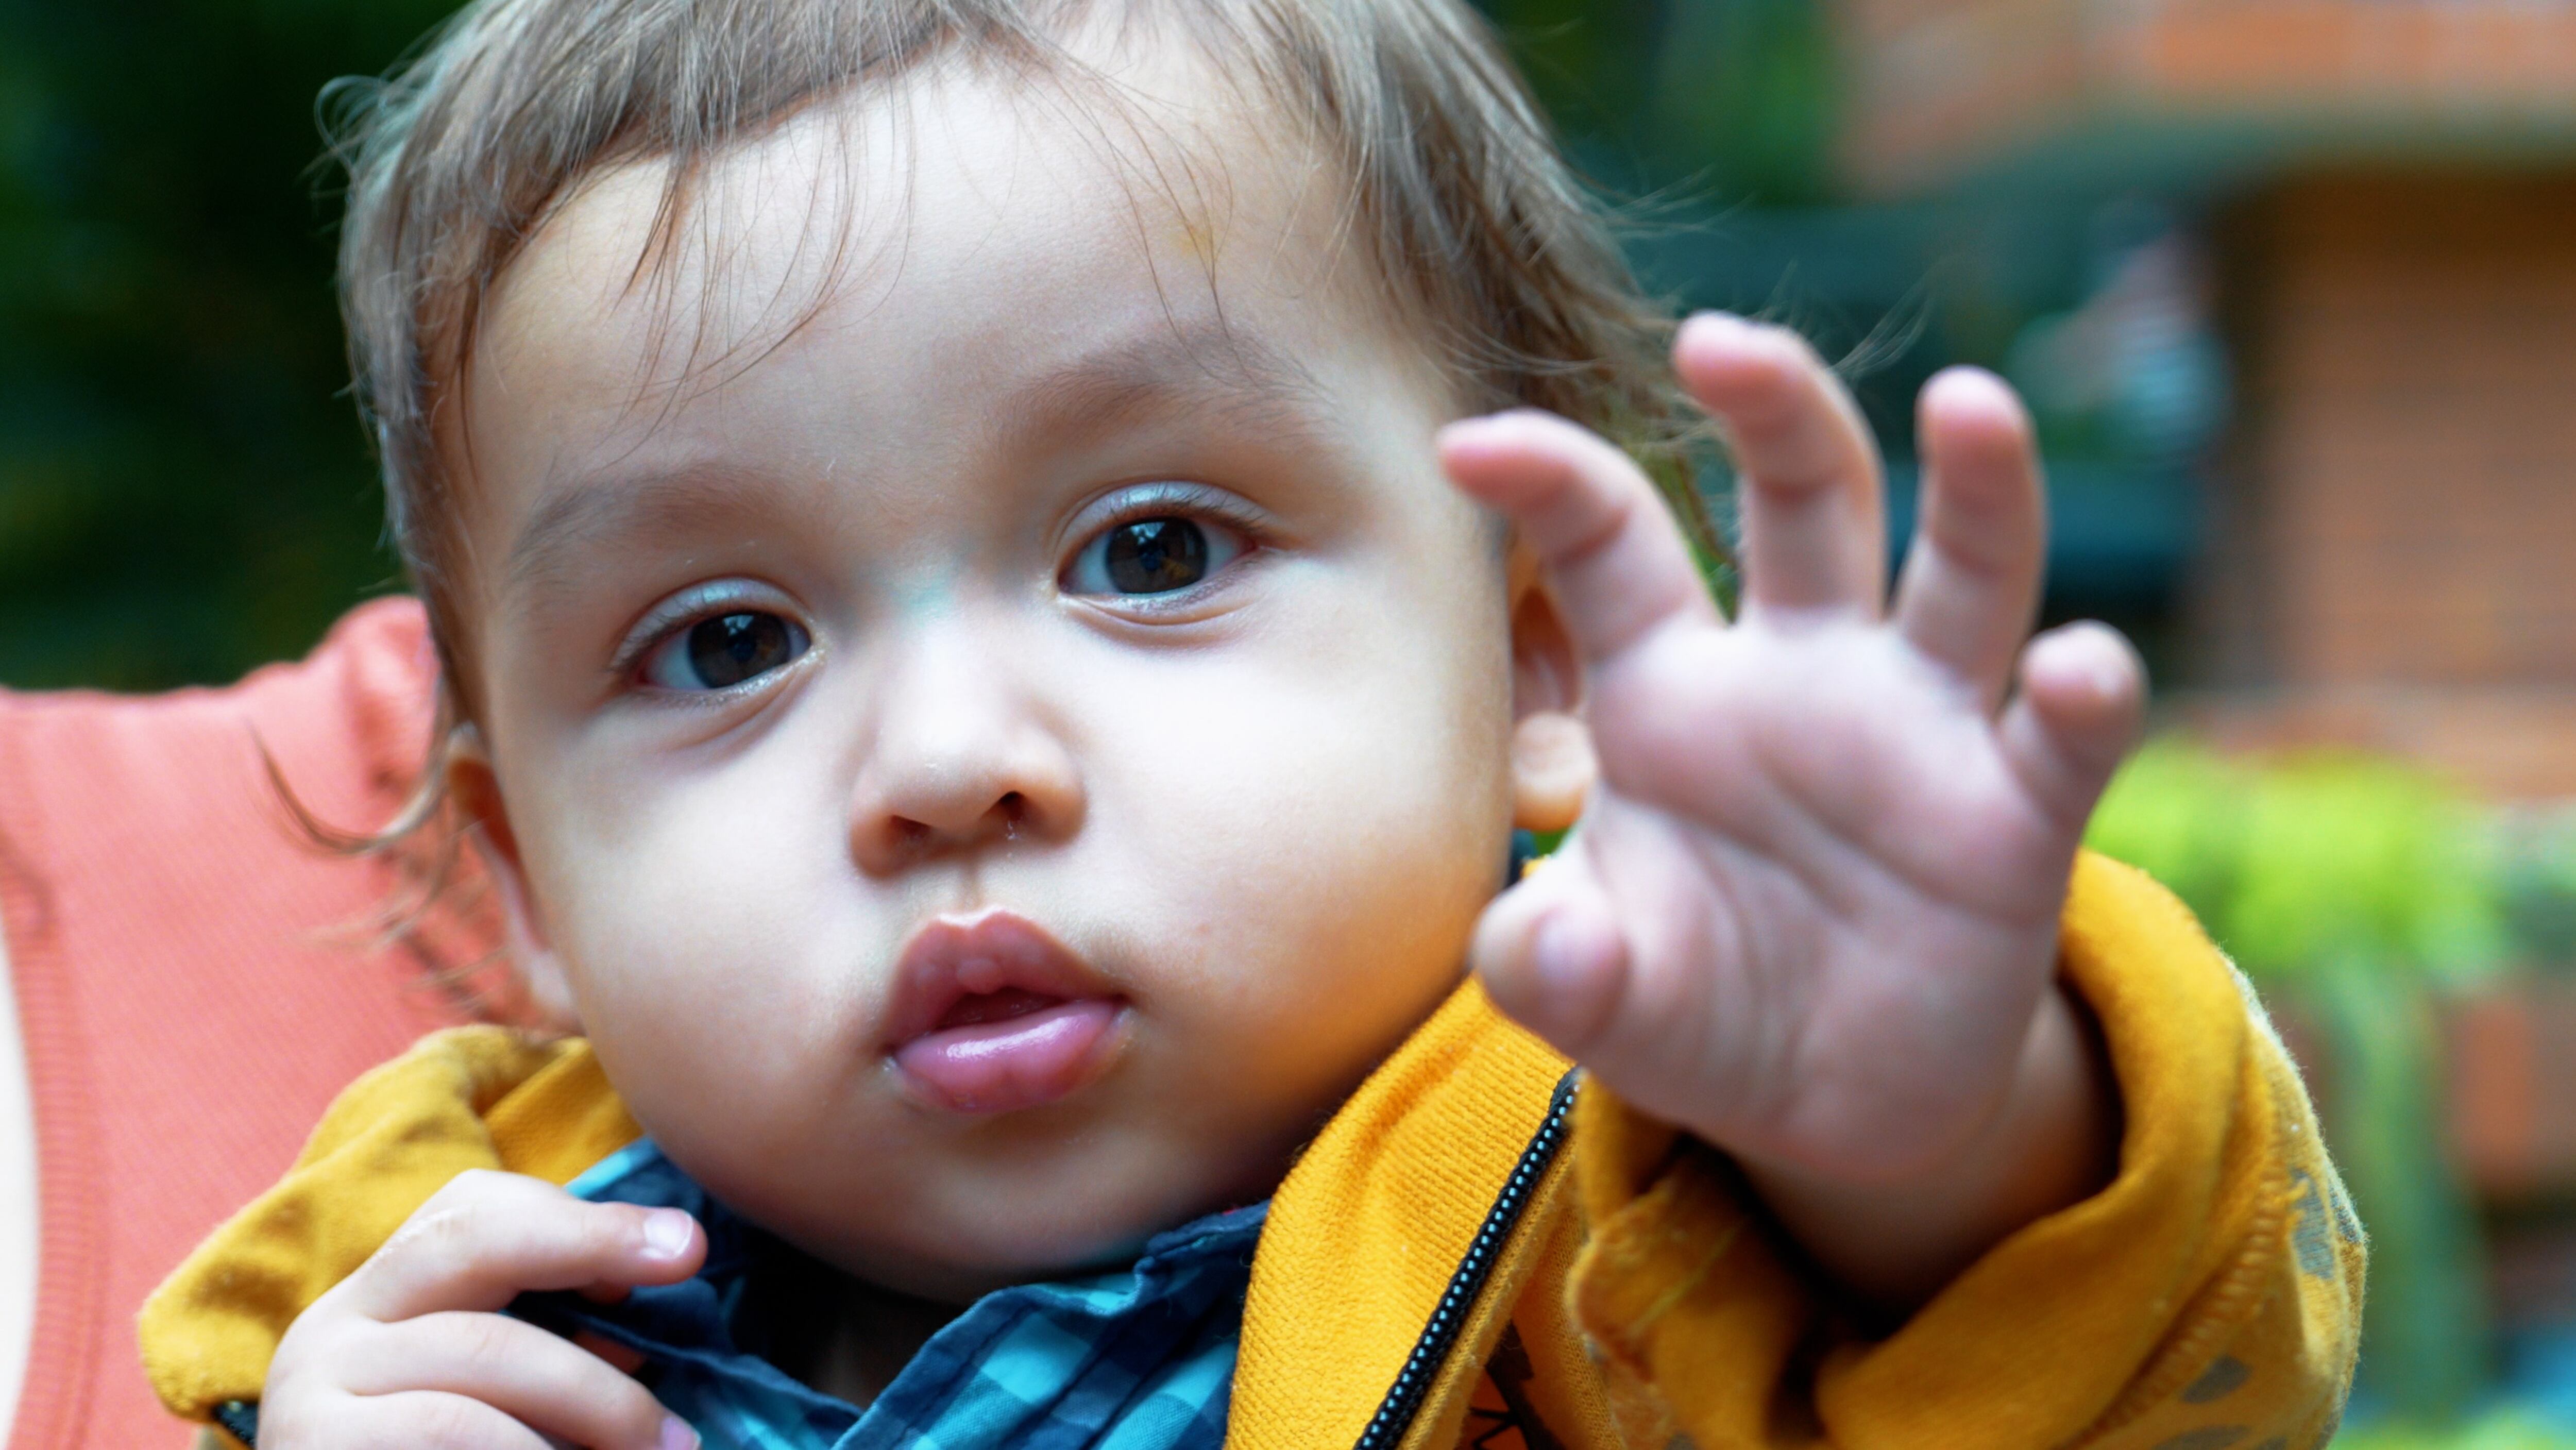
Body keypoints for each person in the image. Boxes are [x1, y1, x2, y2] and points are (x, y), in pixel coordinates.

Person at [129, 0, 2363, 1445]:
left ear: (1541, 664)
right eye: (724, 644)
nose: (943, 764)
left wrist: (1925, 1131)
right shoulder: (440, 1318)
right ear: (525, 878)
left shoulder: (1642, 1230)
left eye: (1153, 549)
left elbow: (2127, 1369)